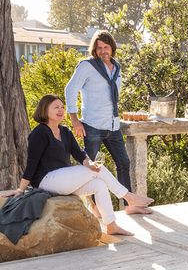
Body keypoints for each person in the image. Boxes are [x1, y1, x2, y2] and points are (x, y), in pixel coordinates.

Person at [12, 95, 153, 236]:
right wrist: (20, 189)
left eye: (62, 107)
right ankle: (128, 197)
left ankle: (111, 225)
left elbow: (79, 154)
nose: (61, 110)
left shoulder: (65, 131)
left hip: (64, 180)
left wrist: (89, 163)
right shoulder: (39, 133)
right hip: (46, 180)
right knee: (100, 170)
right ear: (44, 110)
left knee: (99, 184)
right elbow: (31, 164)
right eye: (56, 107)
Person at [65, 29, 151, 215]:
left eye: (106, 47)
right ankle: (96, 209)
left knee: (123, 162)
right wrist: (75, 120)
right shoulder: (87, 66)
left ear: (112, 47)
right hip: (92, 126)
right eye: (99, 48)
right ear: (94, 51)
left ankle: (130, 206)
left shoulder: (117, 68)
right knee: (91, 169)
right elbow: (70, 90)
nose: (103, 51)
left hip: (113, 126)